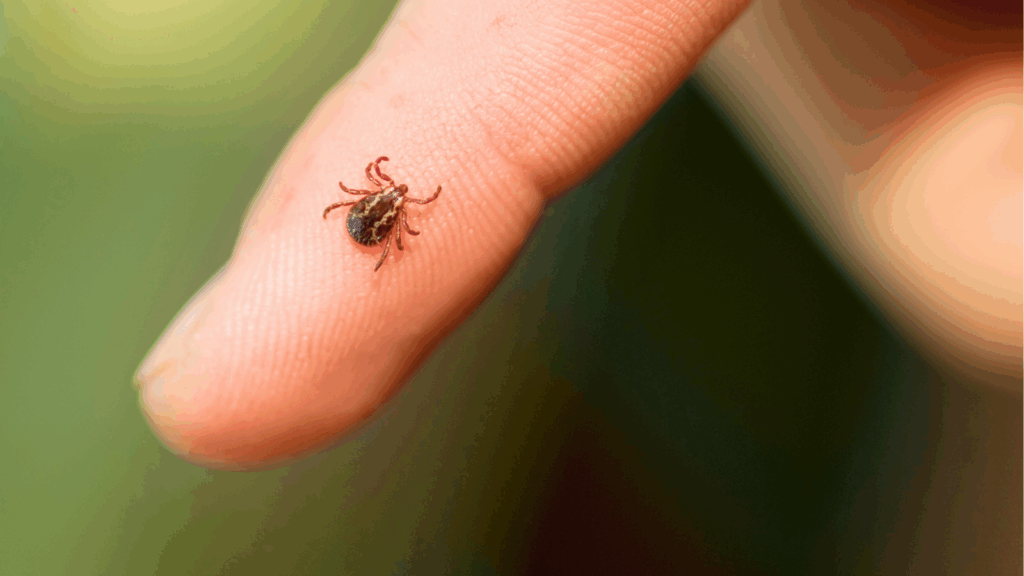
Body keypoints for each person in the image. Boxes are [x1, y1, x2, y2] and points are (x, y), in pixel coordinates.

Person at [135, 0, 1021, 470]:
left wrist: (371, 218)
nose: (383, 202)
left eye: (382, 200)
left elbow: (366, 210)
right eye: (383, 201)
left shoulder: (384, 207)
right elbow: (382, 213)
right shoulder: (397, 210)